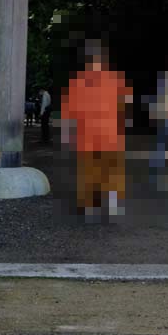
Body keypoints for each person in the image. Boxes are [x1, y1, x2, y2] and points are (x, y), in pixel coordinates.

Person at [59, 41, 132, 218]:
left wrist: (67, 137)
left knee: (88, 173)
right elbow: (126, 107)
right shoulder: (116, 80)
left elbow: (68, 115)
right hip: (110, 136)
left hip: (86, 138)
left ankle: (91, 206)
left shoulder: (77, 83)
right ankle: (113, 205)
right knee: (112, 172)